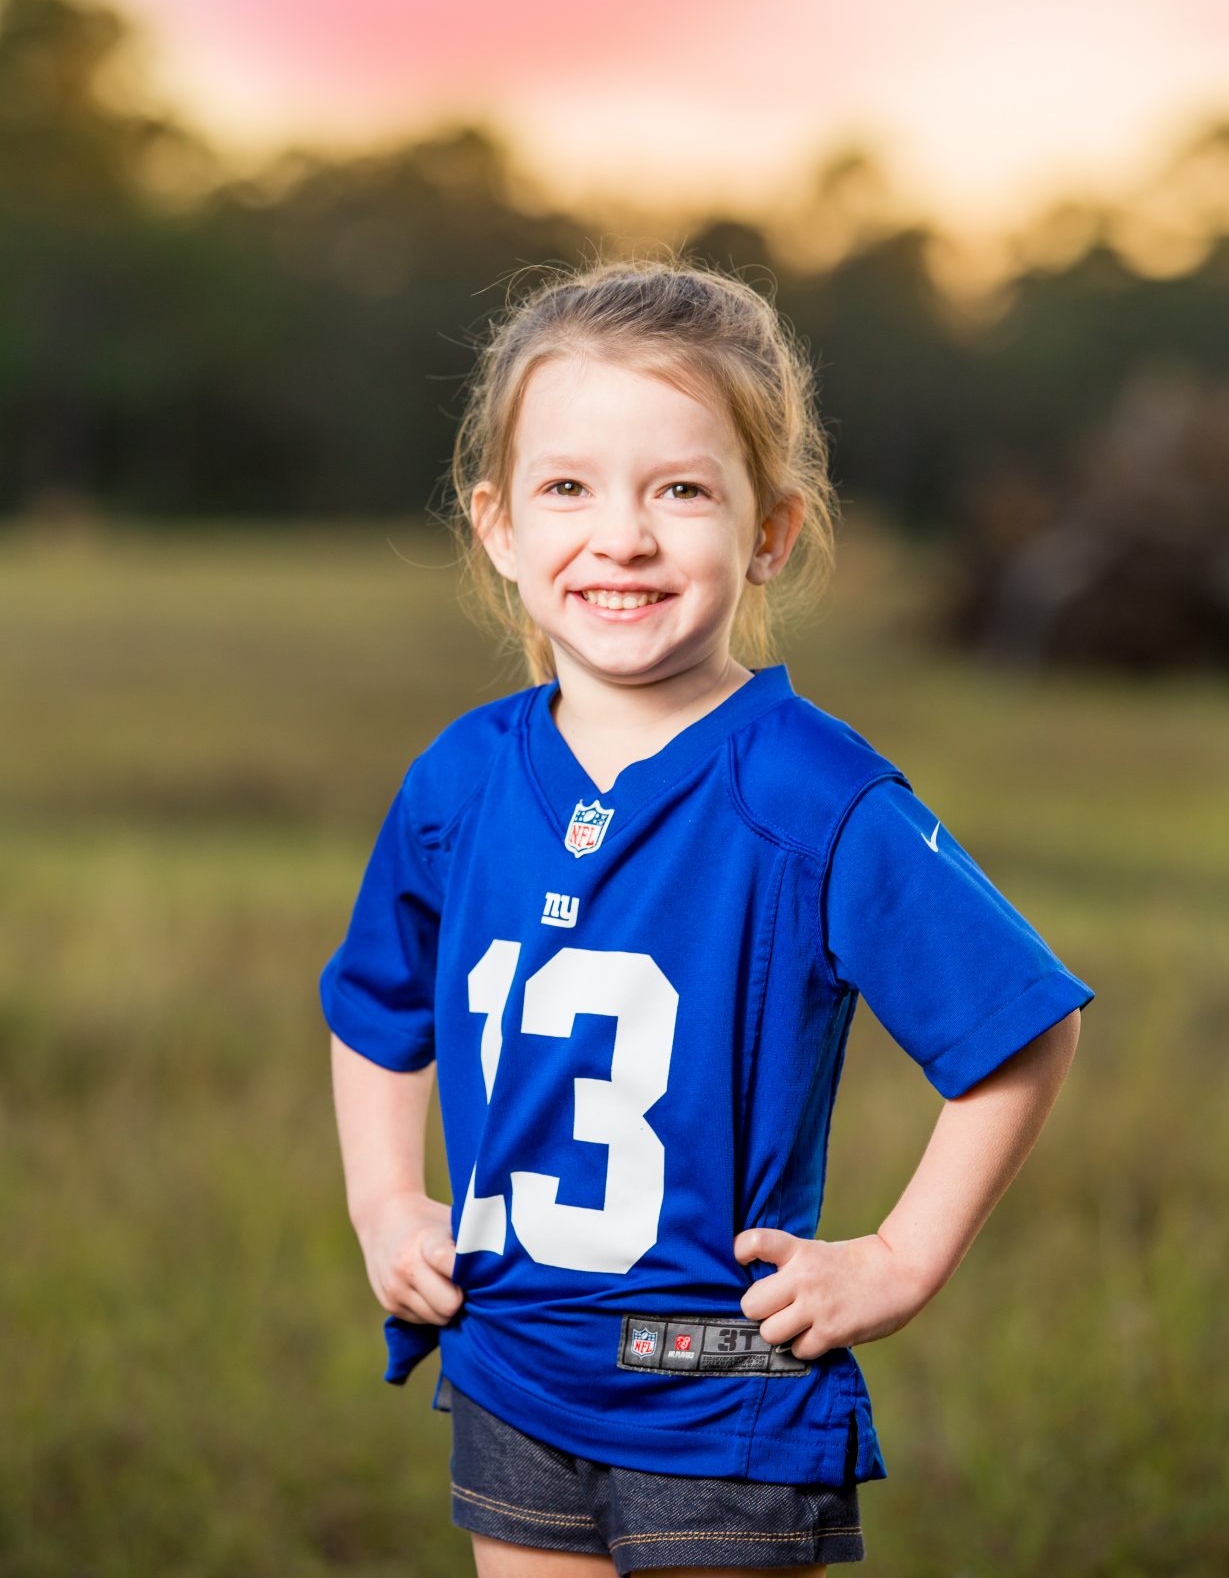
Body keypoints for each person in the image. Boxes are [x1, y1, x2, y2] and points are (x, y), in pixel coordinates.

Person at [319, 257, 1094, 1577]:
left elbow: (1018, 1030)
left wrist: (904, 1258)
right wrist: (388, 1204)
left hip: (720, 1402)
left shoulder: (813, 794)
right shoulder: (460, 779)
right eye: (569, 487)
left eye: (680, 490)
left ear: (772, 530)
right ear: (499, 526)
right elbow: (376, 1008)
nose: (621, 536)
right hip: (512, 1375)